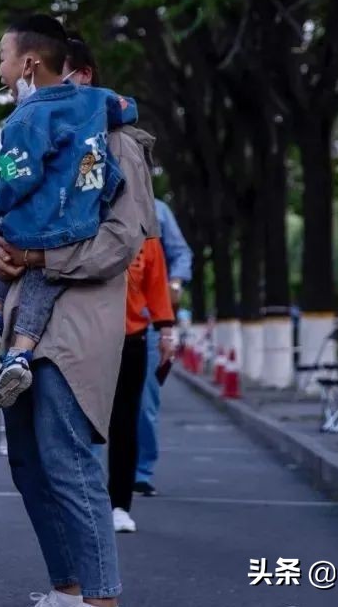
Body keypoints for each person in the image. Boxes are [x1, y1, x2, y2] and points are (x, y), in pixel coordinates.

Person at [0, 15, 158, 607]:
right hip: (17, 320)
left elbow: (121, 242)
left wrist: (38, 256)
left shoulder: (119, 145)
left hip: (78, 322)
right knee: (27, 462)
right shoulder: (21, 135)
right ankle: (67, 589)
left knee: (66, 458)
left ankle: (101, 597)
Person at [0, 14, 137, 409]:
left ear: (28, 65)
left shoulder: (25, 119)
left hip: (42, 237)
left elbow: (17, 176)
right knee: (35, 278)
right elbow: (127, 107)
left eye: (2, 58)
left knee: (11, 239)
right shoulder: (95, 100)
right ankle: (17, 353)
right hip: (79, 220)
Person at [64, 37, 191, 500]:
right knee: (81, 416)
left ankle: (133, 481)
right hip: (86, 326)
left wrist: (168, 326)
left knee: (137, 412)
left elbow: (160, 267)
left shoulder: (149, 213)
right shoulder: (73, 178)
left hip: (136, 330)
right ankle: (94, 492)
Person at [106, 238, 175, 533]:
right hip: (84, 340)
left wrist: (166, 332)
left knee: (124, 424)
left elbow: (157, 283)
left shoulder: (147, 235)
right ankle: (83, 501)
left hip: (132, 339)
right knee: (81, 424)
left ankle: (119, 505)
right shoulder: (86, 216)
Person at [135, 199, 192, 497]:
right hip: (101, 324)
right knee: (93, 407)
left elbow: (181, 253)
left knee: (144, 404)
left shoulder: (156, 211)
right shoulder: (91, 197)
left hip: (147, 324)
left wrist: (175, 284)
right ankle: (91, 477)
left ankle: (141, 472)